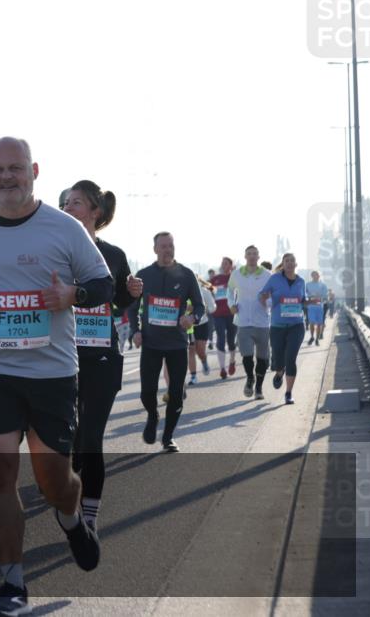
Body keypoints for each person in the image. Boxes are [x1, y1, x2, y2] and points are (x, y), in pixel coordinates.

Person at [0, 138, 112, 615]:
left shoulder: (66, 228)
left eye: (15, 168)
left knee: (54, 480)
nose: (7, 177)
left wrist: (71, 296)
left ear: (33, 171)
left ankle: (71, 517)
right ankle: (12, 584)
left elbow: (103, 284)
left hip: (52, 373)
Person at [57, 180, 142, 532]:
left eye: (75, 202)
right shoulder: (53, 250)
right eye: (64, 203)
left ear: (95, 212)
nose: (67, 208)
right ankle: (67, 501)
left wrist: (132, 293)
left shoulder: (114, 255)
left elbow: (119, 302)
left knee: (90, 438)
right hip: (60, 356)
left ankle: (87, 515)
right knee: (67, 439)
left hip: (102, 356)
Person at [129, 232, 204, 453]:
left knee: (176, 393)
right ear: (155, 249)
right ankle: (153, 415)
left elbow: (200, 307)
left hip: (177, 344)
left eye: (170, 245)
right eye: (163, 246)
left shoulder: (186, 274)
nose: (167, 250)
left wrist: (192, 318)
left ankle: (168, 437)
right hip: (151, 343)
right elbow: (132, 308)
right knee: (147, 393)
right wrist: (135, 331)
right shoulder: (143, 275)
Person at [258, 253, 307, 405]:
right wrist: (266, 302)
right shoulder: (274, 279)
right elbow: (262, 295)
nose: (290, 263)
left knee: (291, 358)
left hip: (297, 325)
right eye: (287, 261)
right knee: (279, 360)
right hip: (277, 326)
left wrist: (312, 301)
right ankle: (279, 372)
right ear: (283, 264)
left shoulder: (301, 281)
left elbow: (303, 300)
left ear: (296, 264)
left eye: (292, 261)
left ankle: (288, 393)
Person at [227, 246, 272, 399]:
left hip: (262, 321)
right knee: (246, 356)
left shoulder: (267, 275)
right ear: (245, 256)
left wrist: (268, 301)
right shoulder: (237, 274)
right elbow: (229, 290)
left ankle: (259, 387)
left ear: (259, 257)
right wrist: (231, 304)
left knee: (262, 358)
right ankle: (250, 378)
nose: (252, 257)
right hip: (243, 320)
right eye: (249, 254)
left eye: (254, 254)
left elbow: (273, 294)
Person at [210, 258, 238, 379]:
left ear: (231, 266)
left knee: (231, 340)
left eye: (226, 264)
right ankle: (222, 368)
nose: (223, 265)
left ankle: (232, 361)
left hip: (231, 313)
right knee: (220, 338)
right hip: (218, 313)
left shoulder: (235, 278)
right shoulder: (215, 279)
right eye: (222, 263)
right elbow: (209, 292)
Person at [305, 271, 329, 345]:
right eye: (315, 275)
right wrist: (308, 299)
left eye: (318, 275)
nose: (317, 276)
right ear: (312, 276)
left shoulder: (323, 285)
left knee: (319, 323)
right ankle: (312, 337)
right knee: (311, 323)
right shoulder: (307, 285)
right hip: (311, 307)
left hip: (320, 306)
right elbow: (304, 295)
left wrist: (322, 299)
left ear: (319, 276)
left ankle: (317, 339)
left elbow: (326, 296)